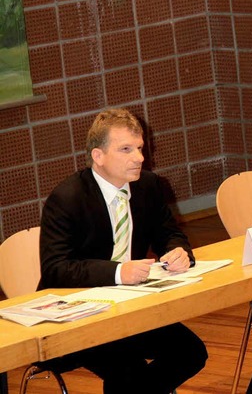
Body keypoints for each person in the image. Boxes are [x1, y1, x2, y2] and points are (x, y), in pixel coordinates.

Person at [39, 108, 208, 394]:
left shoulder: (149, 186)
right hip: (78, 314)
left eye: (140, 148)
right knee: (128, 372)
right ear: (98, 156)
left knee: (190, 352)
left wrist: (177, 251)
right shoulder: (66, 198)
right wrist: (118, 272)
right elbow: (56, 268)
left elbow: (169, 233)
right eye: (126, 149)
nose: (140, 158)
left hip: (129, 307)